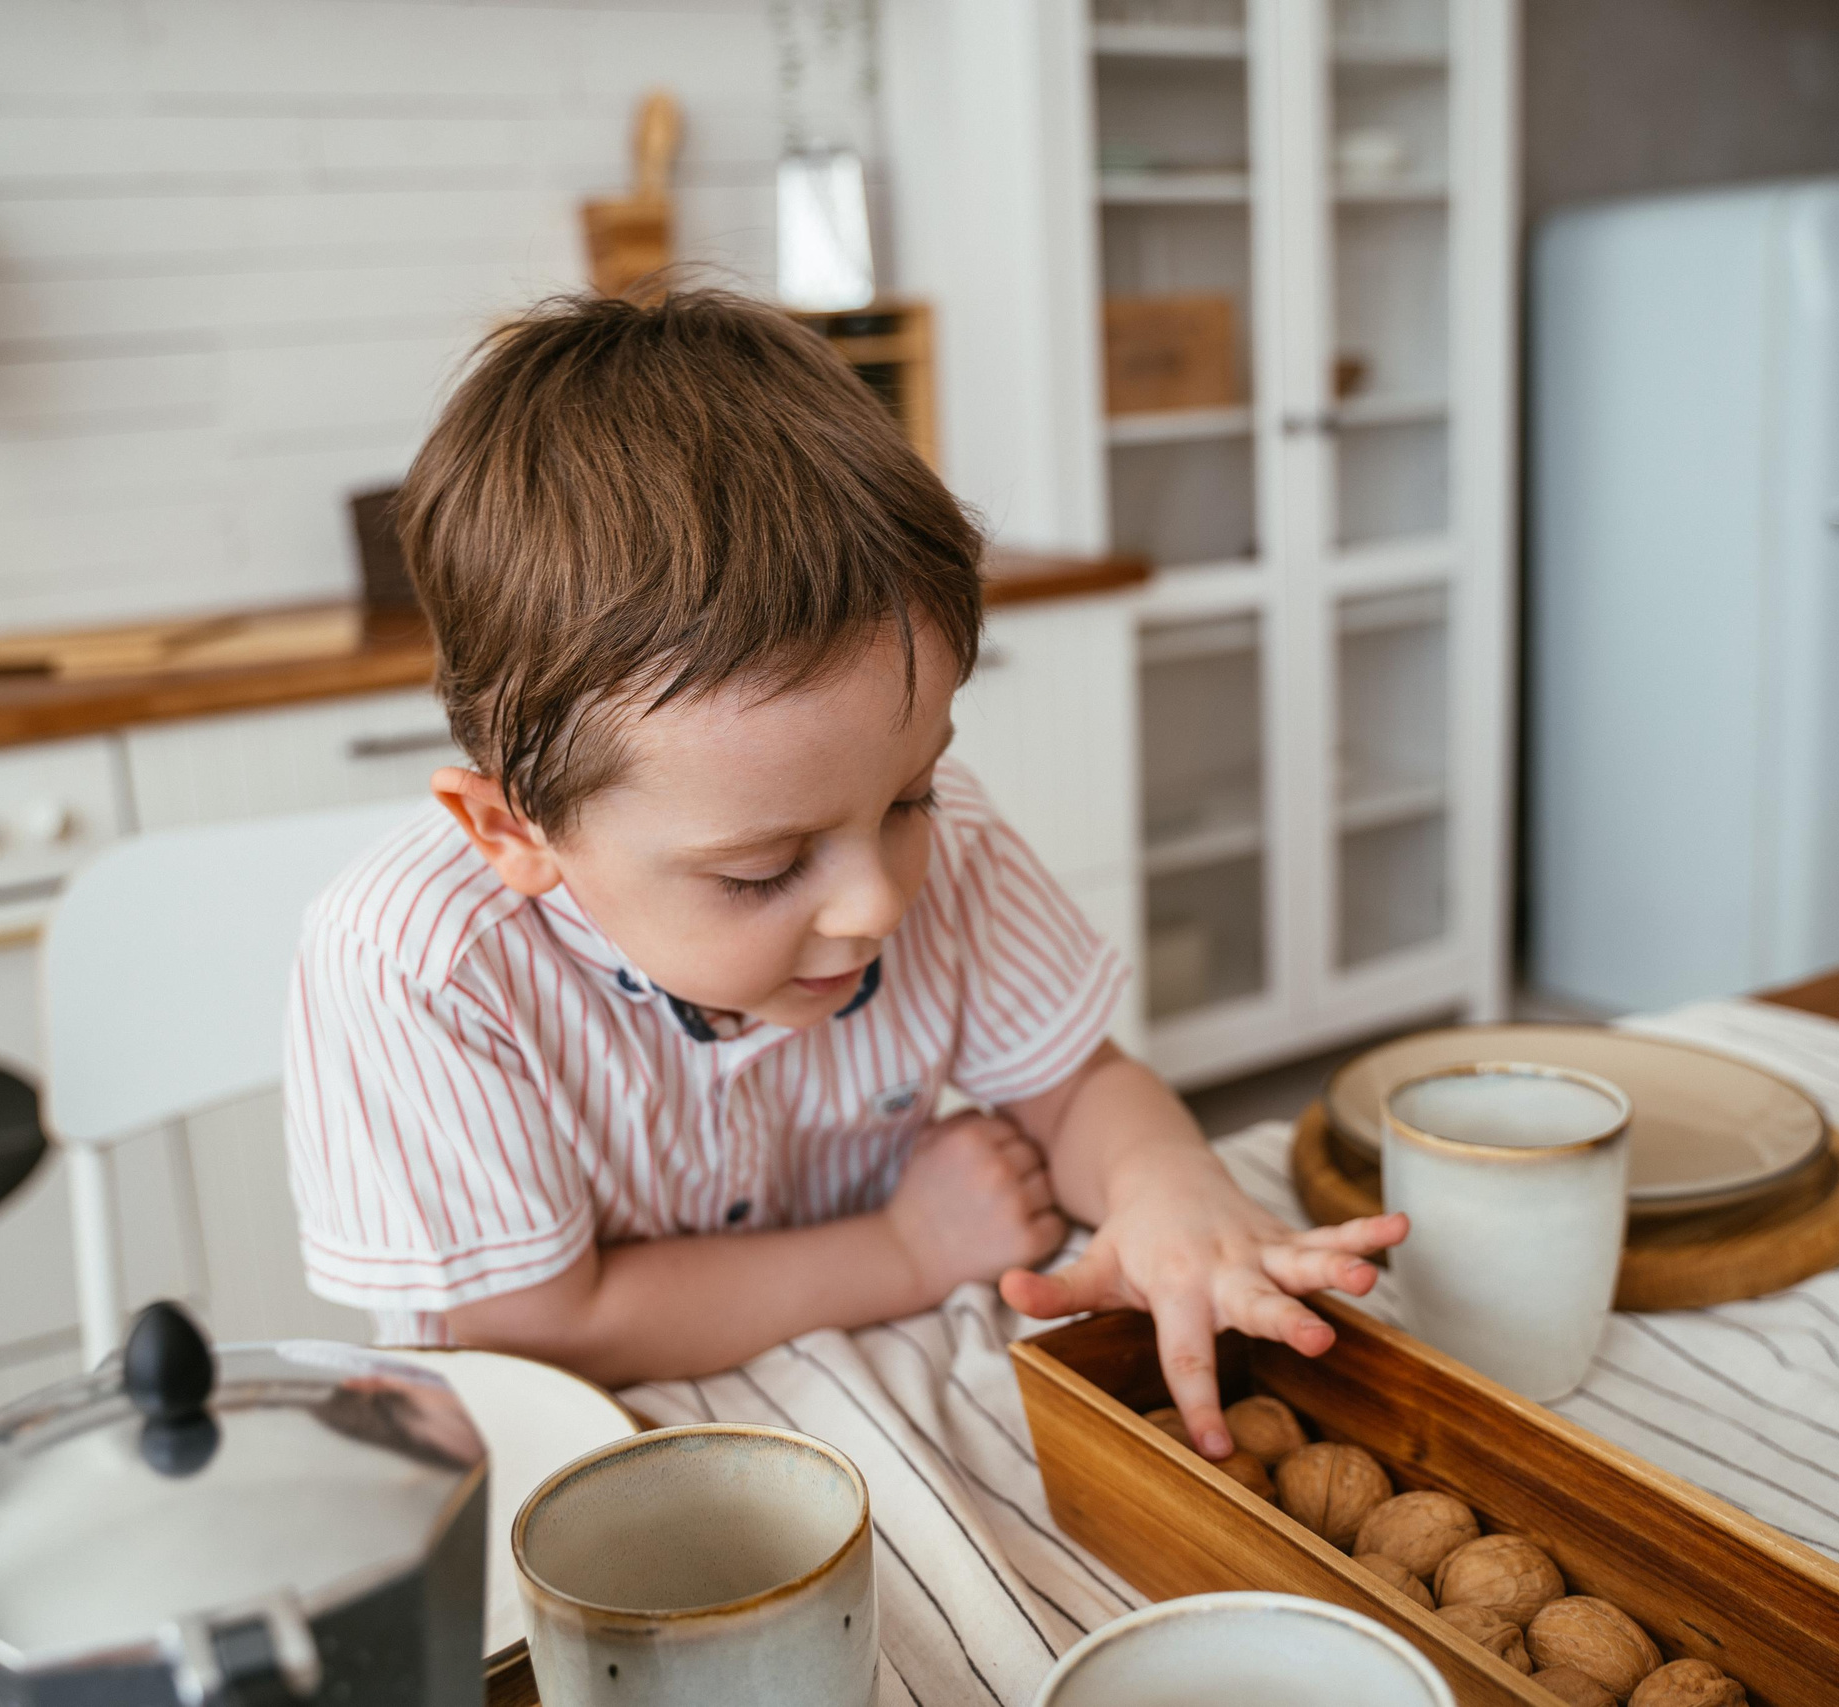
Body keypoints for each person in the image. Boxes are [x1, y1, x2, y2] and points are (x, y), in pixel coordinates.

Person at [282, 288, 1406, 1459]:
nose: (878, 901)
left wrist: (1163, 1179)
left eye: (906, 797)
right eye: (763, 870)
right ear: (514, 834)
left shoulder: (939, 841)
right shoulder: (416, 964)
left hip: (885, 1405)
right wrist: (905, 1250)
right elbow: (534, 1327)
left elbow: (1074, 1090)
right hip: (602, 1464)